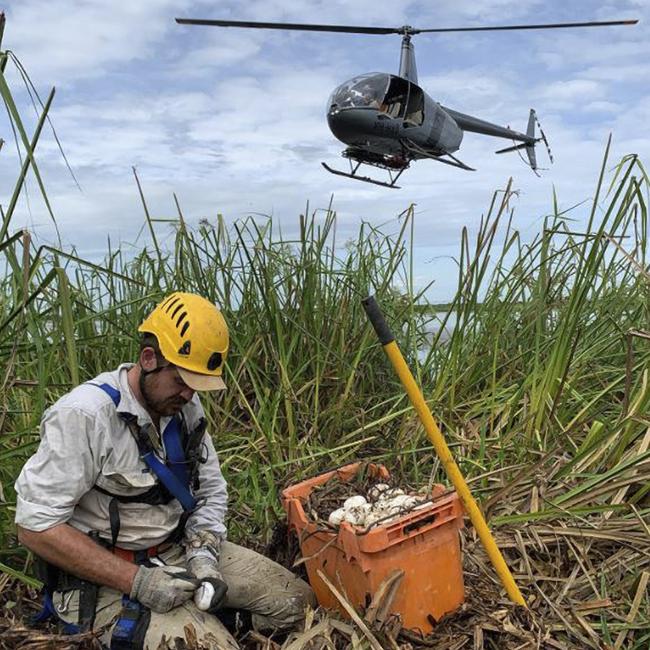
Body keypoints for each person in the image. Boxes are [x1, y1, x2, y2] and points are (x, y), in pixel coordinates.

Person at [14, 292, 315, 649]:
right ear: (149, 358)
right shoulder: (84, 416)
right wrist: (138, 583)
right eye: (182, 381)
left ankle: (201, 617)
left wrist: (203, 557)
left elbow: (211, 491)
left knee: (299, 604)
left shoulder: (184, 406)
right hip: (108, 577)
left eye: (197, 385)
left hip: (177, 551)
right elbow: (36, 528)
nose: (189, 395)